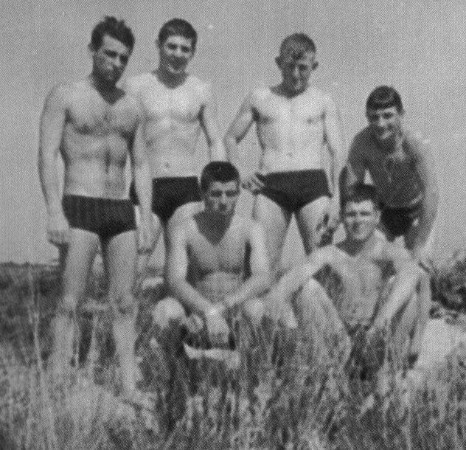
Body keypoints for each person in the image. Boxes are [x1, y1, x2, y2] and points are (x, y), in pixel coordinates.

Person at [38, 17, 154, 398]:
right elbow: (46, 154)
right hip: (79, 204)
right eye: (109, 54)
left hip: (120, 208)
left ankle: (129, 387)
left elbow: (141, 164)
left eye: (123, 57)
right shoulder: (65, 95)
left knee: (124, 302)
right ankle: (57, 386)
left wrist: (147, 216)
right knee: (70, 302)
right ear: (92, 51)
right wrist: (55, 210)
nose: (116, 63)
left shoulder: (133, 107)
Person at [268, 184, 431, 390]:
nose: (358, 221)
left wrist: (383, 326)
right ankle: (328, 377)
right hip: (340, 340)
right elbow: (288, 282)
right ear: (343, 218)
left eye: (364, 214)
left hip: (377, 339)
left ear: (377, 217)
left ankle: (386, 373)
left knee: (406, 291)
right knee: (306, 288)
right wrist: (286, 322)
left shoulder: (388, 252)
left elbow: (415, 276)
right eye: (351, 214)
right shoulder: (329, 254)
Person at [224, 33, 344, 272]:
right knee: (262, 264)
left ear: (314, 66)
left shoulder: (323, 101)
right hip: (271, 184)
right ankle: (265, 310)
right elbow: (230, 138)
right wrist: (239, 171)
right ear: (279, 63)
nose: (296, 74)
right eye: (290, 67)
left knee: (322, 262)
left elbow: (337, 151)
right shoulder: (260, 97)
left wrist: (337, 198)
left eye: (303, 68)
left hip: (313, 184)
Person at [124, 18, 226, 283]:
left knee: (183, 273)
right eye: (172, 46)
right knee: (133, 265)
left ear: (192, 52)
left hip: (186, 188)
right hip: (147, 185)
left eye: (185, 49)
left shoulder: (201, 90)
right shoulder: (135, 87)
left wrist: (219, 186)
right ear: (158, 45)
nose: (178, 54)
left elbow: (215, 141)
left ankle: (172, 322)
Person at [152, 161, 271, 350]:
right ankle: (173, 375)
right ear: (202, 194)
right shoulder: (184, 229)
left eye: (231, 194)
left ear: (239, 194)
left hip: (235, 316)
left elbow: (263, 277)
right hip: (196, 318)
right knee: (165, 310)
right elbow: (175, 280)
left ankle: (251, 374)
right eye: (216, 194)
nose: (224, 201)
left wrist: (222, 308)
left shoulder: (250, 229)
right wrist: (207, 311)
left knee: (257, 308)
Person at [340, 86, 439, 263]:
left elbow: (431, 193)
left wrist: (420, 245)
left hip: (416, 210)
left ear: (401, 114)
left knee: (420, 264)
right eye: (374, 117)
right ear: (367, 117)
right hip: (385, 211)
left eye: (387, 115)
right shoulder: (361, 143)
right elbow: (352, 192)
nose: (380, 124)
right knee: (368, 263)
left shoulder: (415, 143)